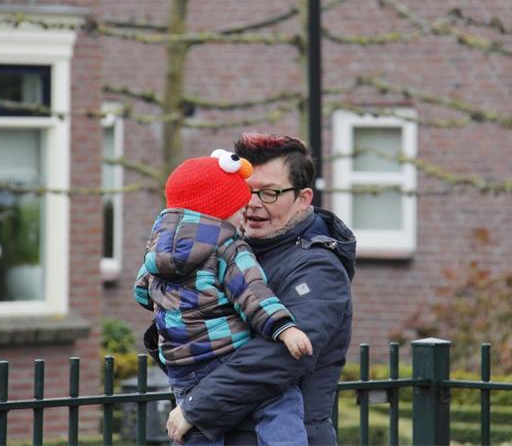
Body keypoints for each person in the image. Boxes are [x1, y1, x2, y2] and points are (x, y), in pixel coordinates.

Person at [166, 133, 356, 445]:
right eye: (246, 191)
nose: (253, 204)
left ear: (303, 199)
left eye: (269, 193)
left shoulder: (319, 268)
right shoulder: (224, 256)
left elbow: (284, 354)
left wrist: (196, 406)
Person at [134, 149, 314, 446]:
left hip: (181, 366)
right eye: (240, 206)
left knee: (198, 429)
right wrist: (284, 328)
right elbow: (252, 293)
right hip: (224, 354)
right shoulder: (229, 247)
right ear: (222, 210)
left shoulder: (157, 248)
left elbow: (142, 292)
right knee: (280, 402)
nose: (246, 211)